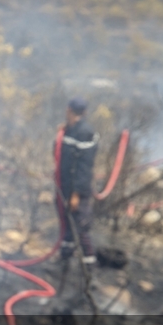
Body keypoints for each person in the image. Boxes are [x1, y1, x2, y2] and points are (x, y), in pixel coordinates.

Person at [57, 97, 98, 265]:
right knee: (66, 221)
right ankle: (64, 258)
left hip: (77, 188)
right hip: (65, 184)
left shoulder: (85, 133)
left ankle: (89, 269)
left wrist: (76, 194)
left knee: (80, 226)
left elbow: (84, 167)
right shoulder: (69, 130)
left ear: (69, 110)